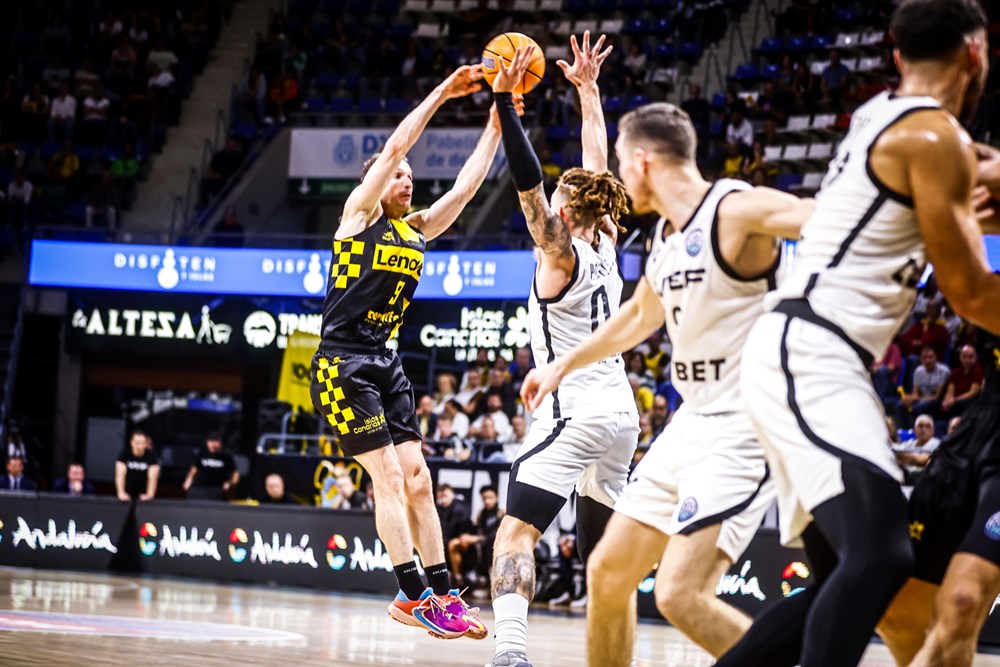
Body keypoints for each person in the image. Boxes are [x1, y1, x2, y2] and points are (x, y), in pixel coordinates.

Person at [715, 2, 1000, 666]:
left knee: (846, 577)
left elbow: (976, 161)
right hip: (811, 354)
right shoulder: (933, 140)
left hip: (808, 355)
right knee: (881, 554)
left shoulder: (887, 114)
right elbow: (970, 293)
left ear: (897, 57)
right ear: (977, 53)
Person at [522, 94, 813, 664]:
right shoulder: (667, 237)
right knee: (607, 571)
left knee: (680, 593)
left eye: (622, 167)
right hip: (690, 422)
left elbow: (825, 216)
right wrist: (561, 364)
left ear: (642, 161)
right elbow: (638, 317)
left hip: (746, 425)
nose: (616, 181)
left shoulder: (736, 208)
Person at [307, 62, 508, 641]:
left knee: (419, 478)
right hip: (342, 363)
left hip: (387, 363)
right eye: (399, 175)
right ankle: (409, 591)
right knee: (389, 476)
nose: (408, 180)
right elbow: (396, 143)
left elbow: (467, 188)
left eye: (411, 176)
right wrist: (446, 90)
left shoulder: (415, 229)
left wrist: (497, 122)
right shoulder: (358, 218)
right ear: (378, 183)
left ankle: (442, 591)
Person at [487, 34, 643, 667]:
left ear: (565, 213)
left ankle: (512, 654)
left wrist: (503, 101)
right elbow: (596, 163)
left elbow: (527, 186)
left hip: (574, 407)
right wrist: (588, 92)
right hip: (621, 415)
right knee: (602, 557)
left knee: (516, 533)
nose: (549, 196)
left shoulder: (561, 253)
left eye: (557, 197)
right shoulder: (605, 241)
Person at [448, 485, 504, 589]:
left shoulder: (502, 514)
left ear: (497, 498)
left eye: (490, 498)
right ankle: (459, 579)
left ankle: (486, 579)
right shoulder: (481, 514)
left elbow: (496, 535)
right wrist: (466, 536)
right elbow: (476, 530)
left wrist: (475, 538)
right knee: (454, 544)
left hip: (494, 547)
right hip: (478, 546)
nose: (487, 501)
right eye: (484, 498)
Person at [896, 345, 951, 428]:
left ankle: (916, 429)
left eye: (930, 357)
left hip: (937, 402)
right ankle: (903, 431)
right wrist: (909, 398)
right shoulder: (918, 371)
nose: (928, 360)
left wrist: (919, 399)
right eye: (924, 358)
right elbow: (915, 394)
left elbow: (937, 396)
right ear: (921, 359)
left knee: (921, 406)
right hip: (922, 399)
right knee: (900, 405)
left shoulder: (944, 371)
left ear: (936, 358)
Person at [183, 433, 239, 501]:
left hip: (217, 491)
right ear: (207, 443)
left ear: (220, 443)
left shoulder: (226, 457)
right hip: (199, 490)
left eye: (216, 442)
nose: (213, 445)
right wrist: (188, 480)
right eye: (211, 442)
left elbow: (235, 475)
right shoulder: (201, 455)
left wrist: (229, 483)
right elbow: (193, 471)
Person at [893, 414, 942, 483]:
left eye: (928, 426)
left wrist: (901, 456)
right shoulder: (910, 443)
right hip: (905, 476)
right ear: (914, 429)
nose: (923, 429)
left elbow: (922, 460)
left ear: (933, 431)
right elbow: (895, 450)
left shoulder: (937, 443)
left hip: (924, 479)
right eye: (920, 426)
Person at [940, 343, 984, 417]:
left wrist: (954, 400)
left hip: (967, 402)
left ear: (976, 357)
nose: (967, 360)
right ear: (960, 358)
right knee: (934, 406)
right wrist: (946, 401)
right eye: (964, 357)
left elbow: (973, 393)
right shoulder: (955, 372)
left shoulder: (978, 370)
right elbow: (950, 391)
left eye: (970, 357)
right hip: (953, 402)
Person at [115, 430, 160, 501]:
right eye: (137, 443)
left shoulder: (151, 457)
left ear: (146, 444)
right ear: (132, 443)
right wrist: (121, 493)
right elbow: (120, 475)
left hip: (143, 494)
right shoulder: (125, 455)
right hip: (127, 493)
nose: (139, 446)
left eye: (142, 443)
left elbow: (153, 478)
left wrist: (150, 494)